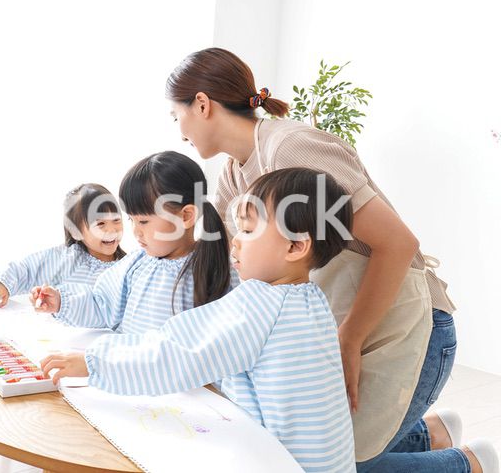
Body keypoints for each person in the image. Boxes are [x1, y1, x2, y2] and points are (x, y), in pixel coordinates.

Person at [162, 47, 497, 472]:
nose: (178, 131)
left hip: (408, 327)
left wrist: (349, 339)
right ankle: (430, 434)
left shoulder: (292, 149)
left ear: (202, 104)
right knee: (293, 448)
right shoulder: (233, 173)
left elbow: (398, 244)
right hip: (345, 324)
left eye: (176, 116)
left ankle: (465, 464)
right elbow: (232, 268)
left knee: (322, 464)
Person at [42, 168, 357, 472]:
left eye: (248, 230)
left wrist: (95, 363)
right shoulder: (313, 301)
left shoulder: (261, 303)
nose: (235, 240)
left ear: (295, 246)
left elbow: (176, 352)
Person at [31, 150, 234, 333]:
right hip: (127, 371)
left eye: (144, 221)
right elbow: (102, 305)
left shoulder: (216, 267)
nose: (136, 231)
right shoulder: (137, 262)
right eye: (131, 220)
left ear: (186, 216)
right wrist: (61, 302)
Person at [0, 183, 125, 309]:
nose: (112, 230)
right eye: (100, 224)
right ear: (76, 231)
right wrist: (1, 284)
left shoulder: (127, 266)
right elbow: (25, 269)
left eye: (116, 220)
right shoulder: (64, 259)